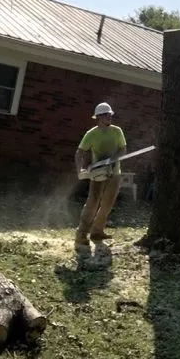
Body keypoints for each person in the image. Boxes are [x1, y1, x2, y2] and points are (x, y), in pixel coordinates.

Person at [74, 102, 127, 249]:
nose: (109, 117)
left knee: (107, 204)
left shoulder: (117, 131)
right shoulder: (92, 134)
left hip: (114, 173)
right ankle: (81, 234)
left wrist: (113, 160)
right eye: (106, 115)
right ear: (98, 117)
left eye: (110, 114)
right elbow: (79, 152)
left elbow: (123, 149)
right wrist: (79, 170)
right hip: (98, 174)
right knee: (93, 202)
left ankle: (97, 232)